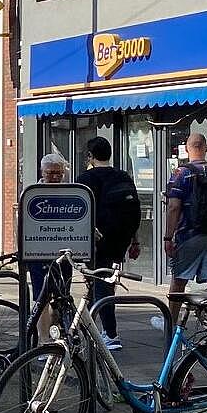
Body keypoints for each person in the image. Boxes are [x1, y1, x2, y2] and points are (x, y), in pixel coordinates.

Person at [77, 137, 141, 351]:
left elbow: (81, 212)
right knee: (102, 283)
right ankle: (93, 328)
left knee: (101, 284)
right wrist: (135, 239)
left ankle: (110, 334)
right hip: (120, 238)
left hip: (96, 239)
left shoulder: (86, 178)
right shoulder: (123, 176)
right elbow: (133, 209)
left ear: (90, 156)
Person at [159, 133, 207, 328]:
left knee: (179, 280)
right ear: (206, 148)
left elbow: (173, 207)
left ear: (187, 149)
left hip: (189, 234)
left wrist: (168, 237)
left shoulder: (181, 173)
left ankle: (170, 324)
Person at [29, 153, 72, 344]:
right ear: (42, 172)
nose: (55, 177)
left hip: (63, 253)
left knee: (62, 297)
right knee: (41, 297)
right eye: (51, 173)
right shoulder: (33, 193)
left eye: (59, 173)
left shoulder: (71, 193)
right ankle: (44, 339)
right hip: (39, 254)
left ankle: (57, 335)